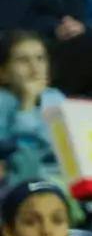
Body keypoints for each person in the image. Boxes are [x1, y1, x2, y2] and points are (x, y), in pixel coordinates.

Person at [0, 31, 65, 187]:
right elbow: (22, 153)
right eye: (23, 60)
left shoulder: (56, 98)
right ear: (3, 73)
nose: (35, 68)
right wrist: (27, 104)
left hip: (61, 178)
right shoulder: (3, 102)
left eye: (40, 59)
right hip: (20, 181)